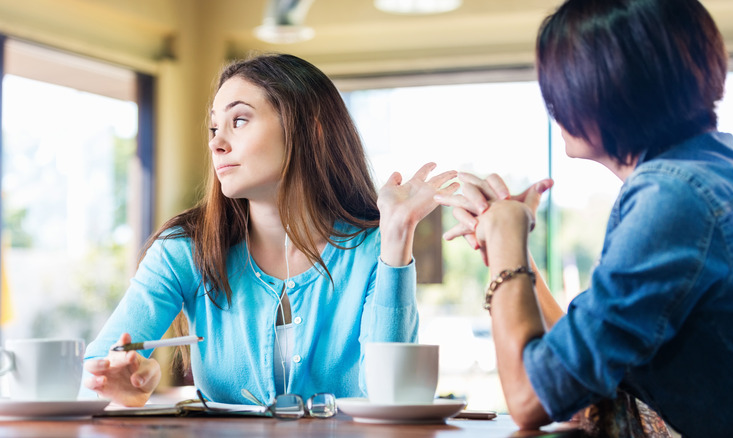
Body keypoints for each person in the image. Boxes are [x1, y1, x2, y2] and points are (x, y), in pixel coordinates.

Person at [435, 0, 733, 436]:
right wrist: (511, 248)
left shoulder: (672, 200)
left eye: (559, 83)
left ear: (608, 86)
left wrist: (505, 236)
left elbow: (530, 397)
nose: (553, 103)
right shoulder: (721, 175)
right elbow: (577, 365)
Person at [82, 53, 458, 407]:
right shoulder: (184, 249)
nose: (216, 142)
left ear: (312, 129)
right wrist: (117, 378)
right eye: (214, 127)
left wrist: (395, 239)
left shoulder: (373, 250)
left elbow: (391, 396)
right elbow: (101, 361)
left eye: (239, 120)